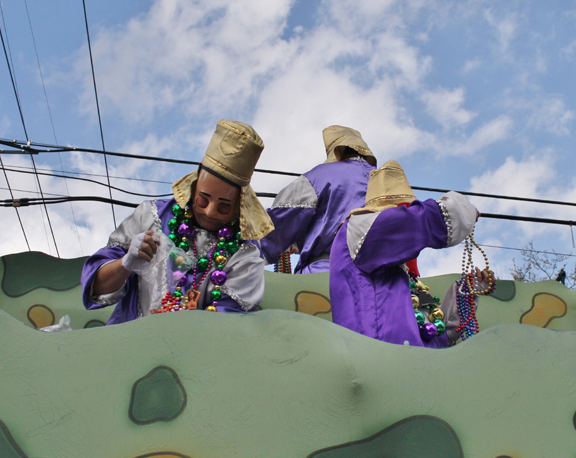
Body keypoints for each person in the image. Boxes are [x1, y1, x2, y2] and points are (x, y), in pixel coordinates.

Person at [81, 120, 274, 324]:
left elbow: (227, 326)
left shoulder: (246, 254)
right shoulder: (150, 216)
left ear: (239, 205)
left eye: (224, 206)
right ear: (194, 186)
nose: (209, 212)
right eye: (203, 199)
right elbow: (96, 288)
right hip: (128, 348)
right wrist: (126, 263)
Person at [329, 161, 482, 348]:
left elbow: (437, 338)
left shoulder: (406, 280)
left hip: (416, 369)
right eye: (404, 210)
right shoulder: (360, 227)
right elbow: (423, 221)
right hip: (379, 362)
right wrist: (462, 210)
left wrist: (467, 292)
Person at [259, 125, 376, 274]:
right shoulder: (388, 181)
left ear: (336, 151)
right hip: (387, 284)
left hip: (327, 278)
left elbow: (279, 225)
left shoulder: (318, 177)